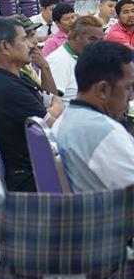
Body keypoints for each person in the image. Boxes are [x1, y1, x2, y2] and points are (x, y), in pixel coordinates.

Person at [0, 17, 64, 192]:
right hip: (32, 176)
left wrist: (52, 107)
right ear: (5, 46)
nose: (31, 45)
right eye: (24, 39)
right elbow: (54, 126)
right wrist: (55, 108)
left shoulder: (18, 77)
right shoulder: (6, 87)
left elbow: (52, 99)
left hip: (38, 165)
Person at [53, 41, 134, 192]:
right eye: (128, 87)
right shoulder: (106, 133)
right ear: (103, 89)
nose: (131, 97)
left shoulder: (63, 121)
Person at [46, 16, 103, 102]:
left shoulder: (84, 57)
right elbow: (50, 102)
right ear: (74, 37)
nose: (97, 45)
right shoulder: (59, 61)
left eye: (100, 40)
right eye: (92, 39)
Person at [9, 15, 59, 95]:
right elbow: (49, 100)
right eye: (29, 36)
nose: (36, 41)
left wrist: (44, 67)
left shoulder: (26, 67)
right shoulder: (10, 76)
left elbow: (49, 97)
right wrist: (45, 67)